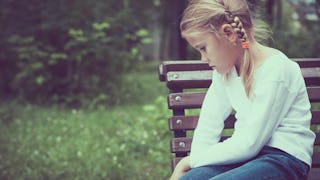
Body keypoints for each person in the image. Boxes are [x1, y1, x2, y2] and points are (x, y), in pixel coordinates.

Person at [170, 0, 316, 179]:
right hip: (245, 158)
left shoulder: (277, 70)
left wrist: (190, 161)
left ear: (229, 33)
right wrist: (194, 166)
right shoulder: (224, 72)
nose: (203, 58)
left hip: (283, 159)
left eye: (203, 48)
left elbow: (250, 143)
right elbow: (209, 124)